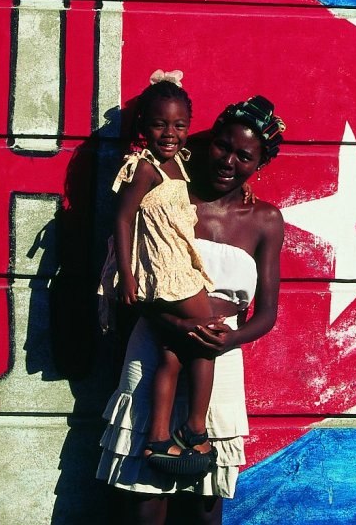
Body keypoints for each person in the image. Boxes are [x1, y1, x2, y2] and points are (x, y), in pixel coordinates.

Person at [97, 95, 287, 525]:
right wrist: (175, 323)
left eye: (244, 155)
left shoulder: (266, 220)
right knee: (145, 490)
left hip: (219, 358)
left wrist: (227, 338)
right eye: (222, 146)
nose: (228, 161)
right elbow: (140, 274)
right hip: (154, 346)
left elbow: (266, 313)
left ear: (260, 162)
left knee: (205, 497)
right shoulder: (170, 199)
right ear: (207, 141)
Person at [104, 70, 220, 474]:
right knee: (209, 340)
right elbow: (122, 218)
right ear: (142, 126)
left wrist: (242, 188)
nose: (170, 133)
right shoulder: (145, 168)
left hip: (177, 264)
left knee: (172, 354)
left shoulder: (178, 165)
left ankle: (156, 438)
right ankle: (194, 429)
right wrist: (128, 275)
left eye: (179, 125)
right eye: (159, 124)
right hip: (166, 271)